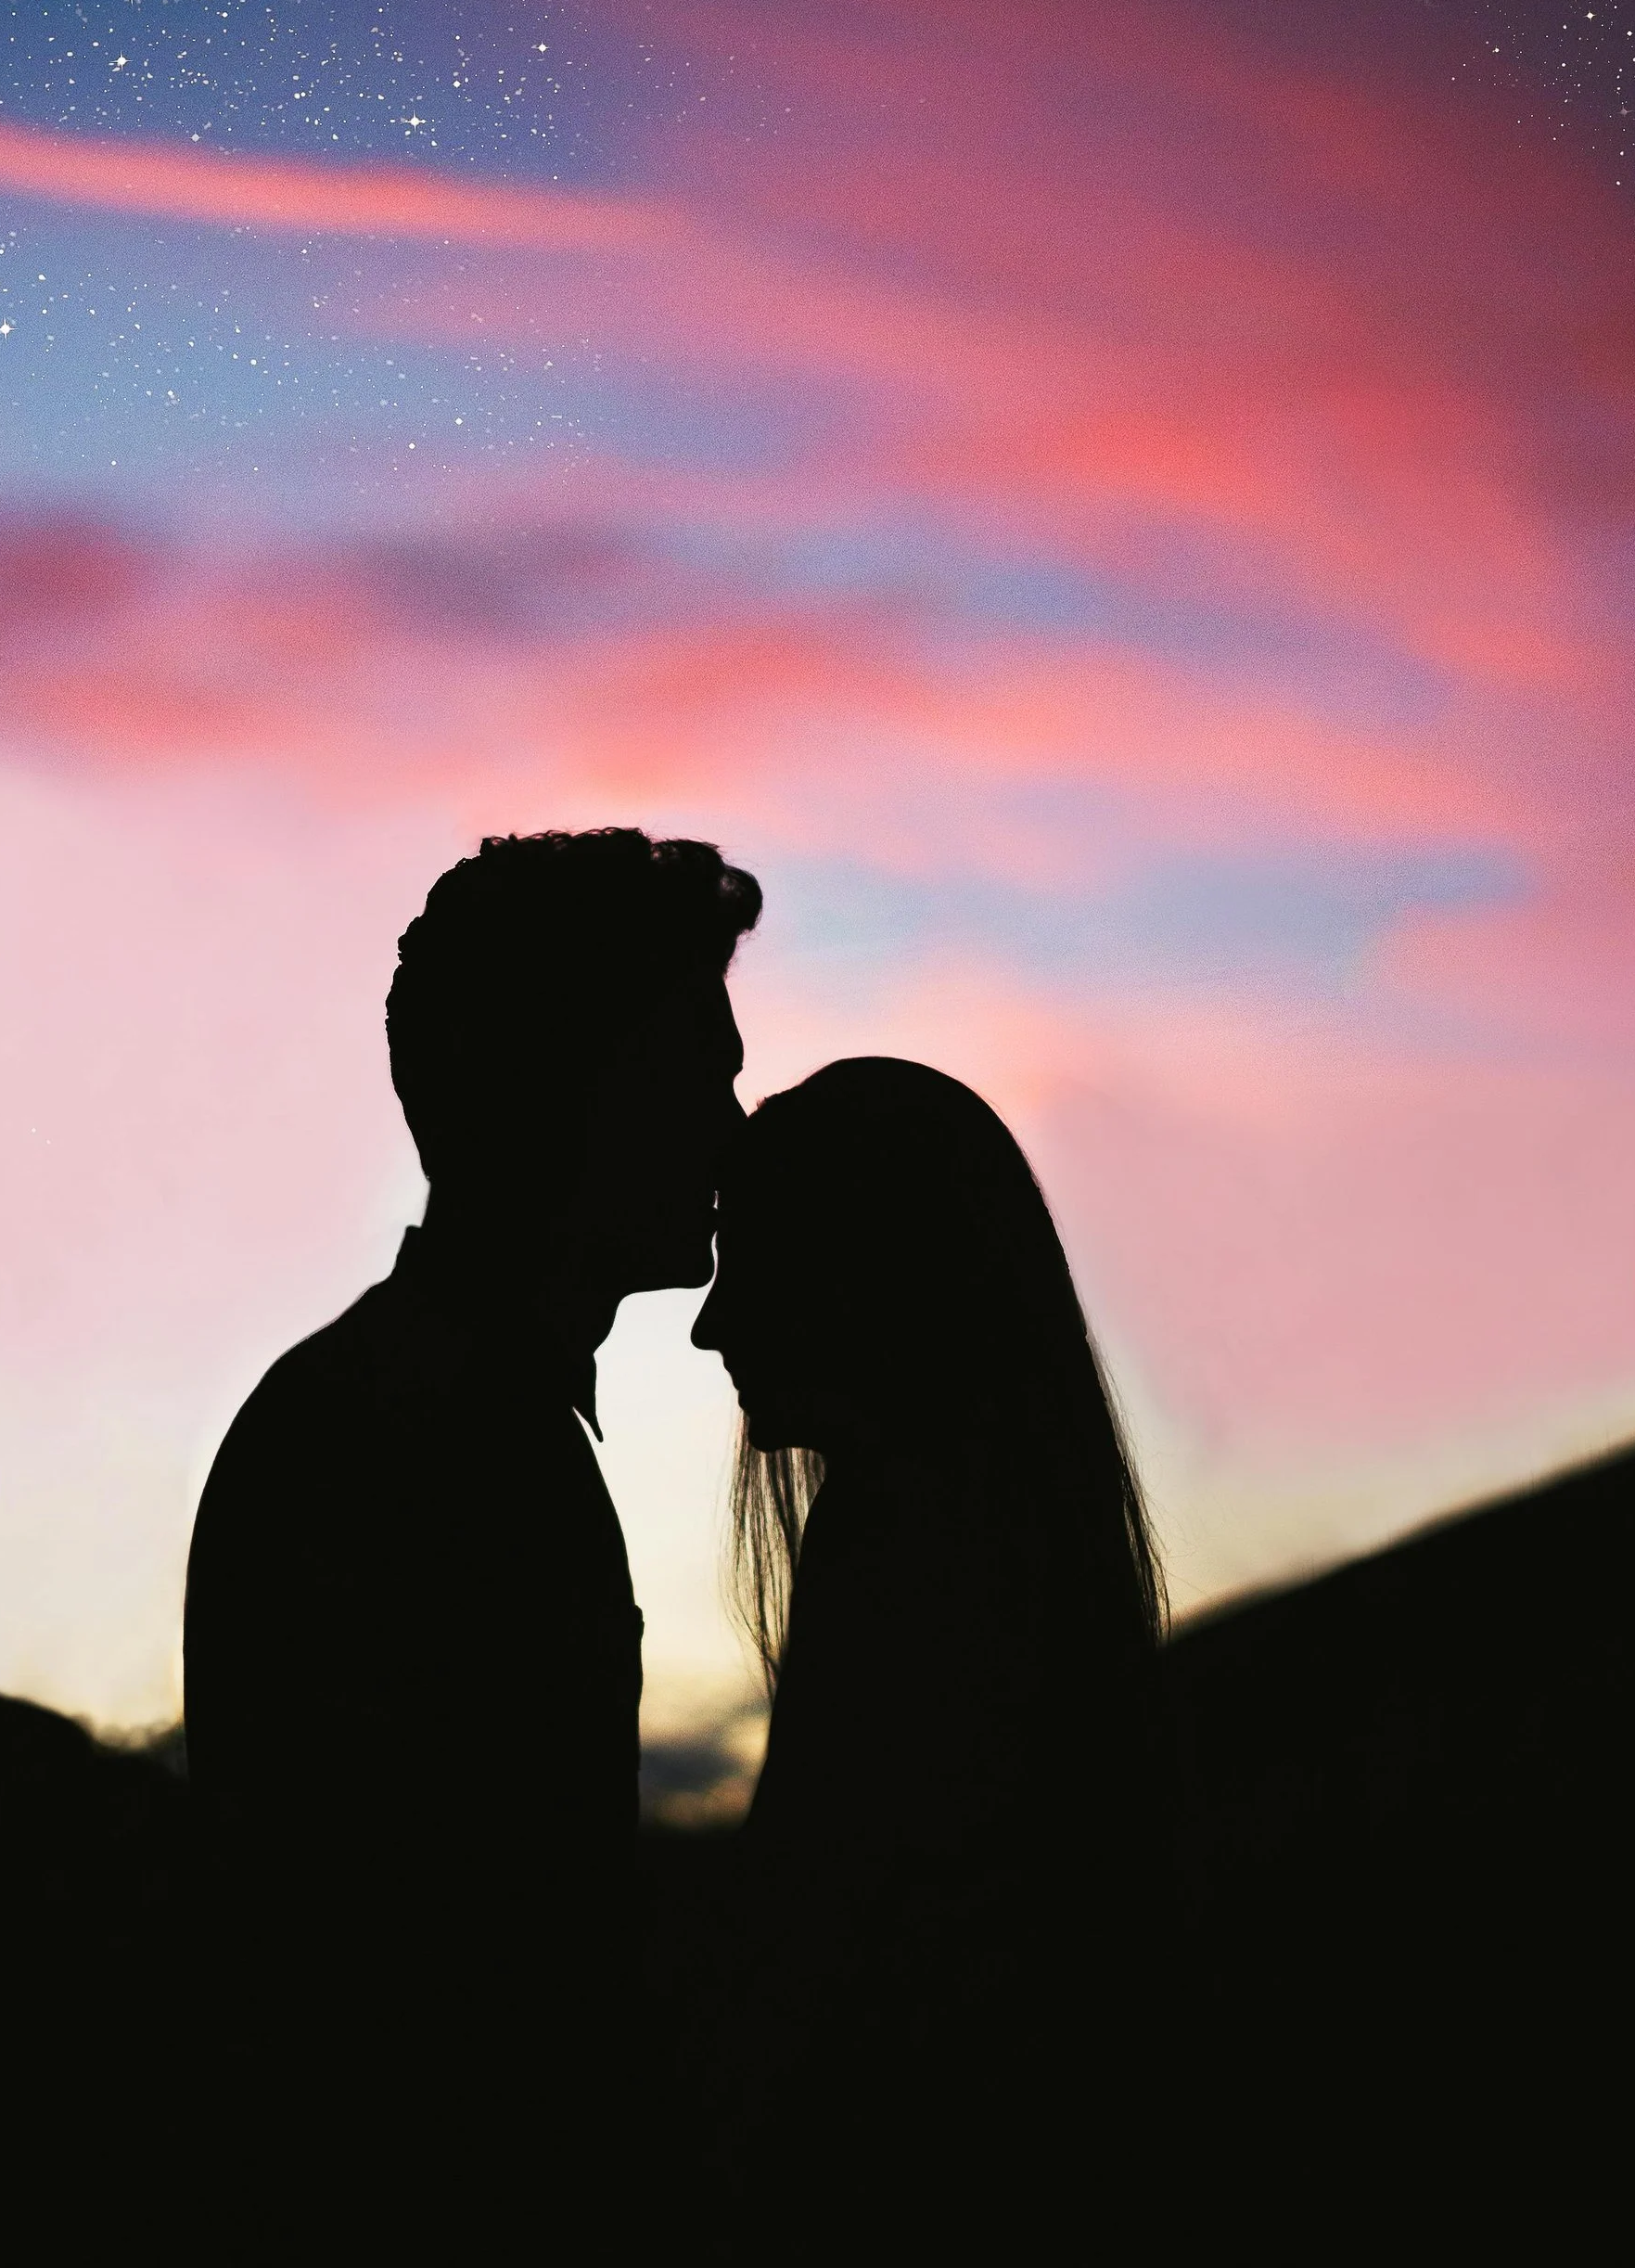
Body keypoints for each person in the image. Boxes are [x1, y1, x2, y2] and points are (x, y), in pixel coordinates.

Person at [183, 826, 760, 2249]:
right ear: (588, 1083)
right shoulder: (440, 1443)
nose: (734, 1127)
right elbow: (486, 2007)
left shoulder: (397, 1404)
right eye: (703, 1068)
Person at [688, 1057, 1169, 2258]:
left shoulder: (905, 1557)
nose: (710, 1321)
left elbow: (797, 2007)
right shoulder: (1002, 1547)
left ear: (861, 1273)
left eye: (751, 1257)